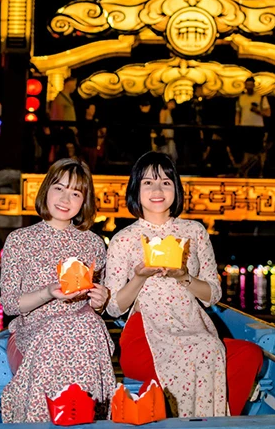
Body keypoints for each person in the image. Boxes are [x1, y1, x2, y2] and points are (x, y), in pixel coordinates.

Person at [104, 151, 263, 418]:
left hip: (194, 330)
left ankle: (216, 425)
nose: (157, 190)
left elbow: (213, 294)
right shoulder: (124, 239)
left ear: (176, 189)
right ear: (136, 189)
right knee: (204, 353)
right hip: (145, 335)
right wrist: (140, 277)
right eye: (148, 183)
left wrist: (184, 277)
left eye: (166, 182)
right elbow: (113, 308)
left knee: (249, 354)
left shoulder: (194, 232)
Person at [0, 158, 116, 422]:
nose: (66, 198)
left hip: (83, 332)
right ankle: (41, 418)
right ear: (46, 190)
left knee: (87, 324)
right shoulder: (20, 240)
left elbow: (97, 304)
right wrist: (49, 292)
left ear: (83, 202)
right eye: (59, 188)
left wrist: (101, 300)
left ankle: (85, 417)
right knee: (63, 329)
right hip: (33, 332)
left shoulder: (94, 244)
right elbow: (10, 305)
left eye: (76, 193)